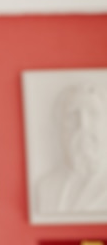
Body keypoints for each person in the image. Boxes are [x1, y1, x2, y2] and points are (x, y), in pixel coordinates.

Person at [36, 82, 107, 213]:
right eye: (73, 115)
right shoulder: (45, 187)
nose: (83, 125)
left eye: (93, 114)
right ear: (60, 127)